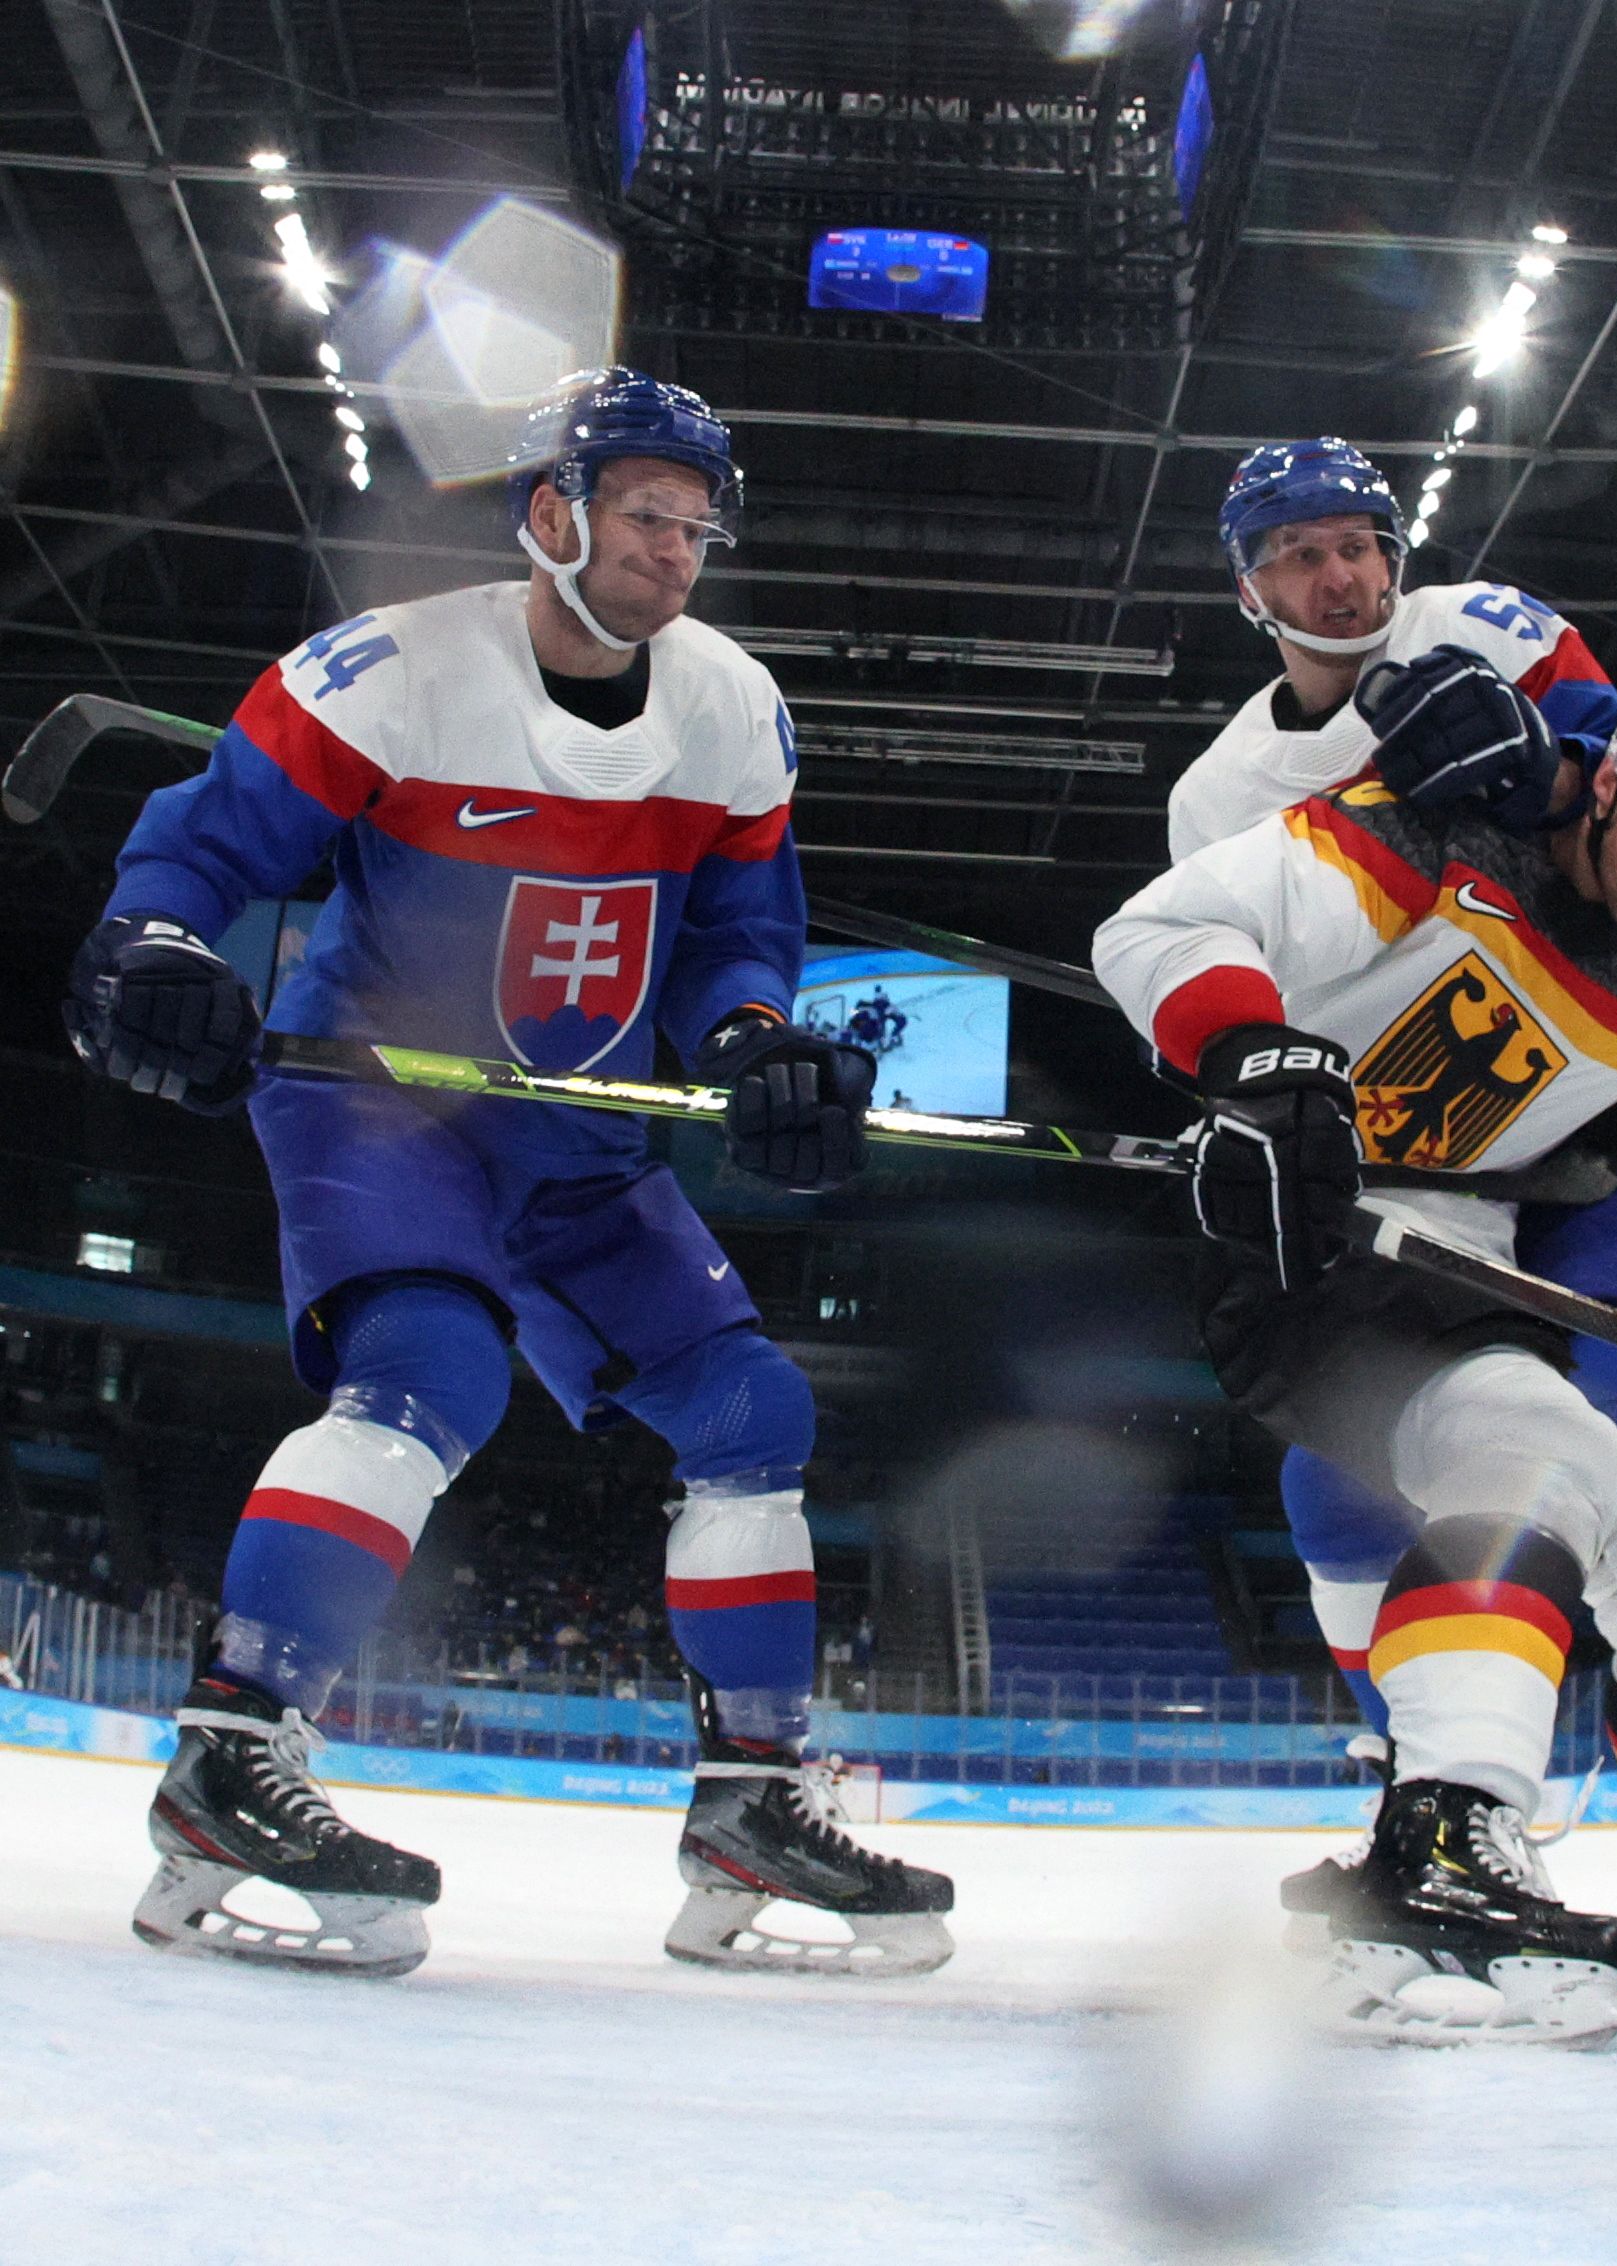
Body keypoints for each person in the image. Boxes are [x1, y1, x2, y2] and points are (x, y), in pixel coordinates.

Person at [60, 368, 951, 1980]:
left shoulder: (735, 709)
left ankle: (749, 1803)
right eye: (644, 514)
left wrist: (756, 1041)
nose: (676, 551)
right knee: (431, 1371)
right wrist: (157, 938)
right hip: (384, 1101)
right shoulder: (392, 672)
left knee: (757, 1417)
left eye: (697, 525)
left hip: (584, 1138)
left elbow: (743, 933)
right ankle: (225, 1760)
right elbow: (203, 847)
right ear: (552, 513)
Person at [1095, 644, 1617, 2042]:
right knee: (1551, 1445)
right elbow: (1155, 934)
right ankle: (1442, 1841)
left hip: (1455, 1265)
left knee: (1563, 1455)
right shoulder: (1434, 839)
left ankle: (1434, 1844)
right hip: (1309, 1237)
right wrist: (1254, 1055)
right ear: (1611, 774)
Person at [1177, 441, 1617, 1954]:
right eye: (1297, 555)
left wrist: (1537, 765)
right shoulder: (1222, 795)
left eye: (1357, 544)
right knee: (1343, 1482)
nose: (1337, 576)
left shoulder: (1498, 625)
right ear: (1247, 589)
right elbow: (1273, 991)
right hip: (1445, 1133)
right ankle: (1442, 1809)